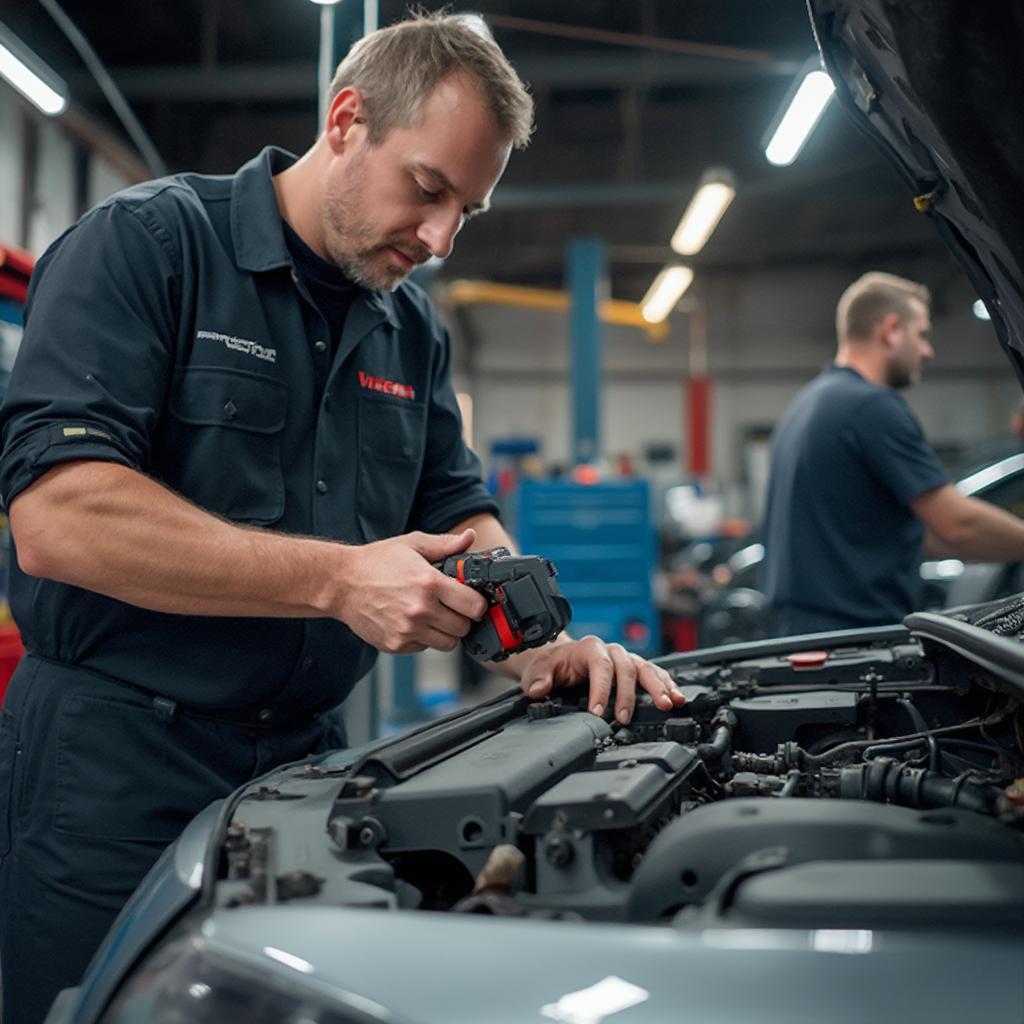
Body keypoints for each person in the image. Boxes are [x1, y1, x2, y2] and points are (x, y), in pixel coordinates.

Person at [0, 14, 685, 1021]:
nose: (443, 237)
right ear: (346, 119)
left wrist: (539, 645)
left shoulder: (408, 326)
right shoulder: (149, 247)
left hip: (304, 771)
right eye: (428, 188)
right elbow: (58, 518)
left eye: (470, 211)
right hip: (110, 775)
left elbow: (455, 510)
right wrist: (333, 578)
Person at [762, 271, 1024, 636]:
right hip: (853, 639)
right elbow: (957, 525)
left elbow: (921, 534)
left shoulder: (809, 403)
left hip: (804, 632)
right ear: (890, 329)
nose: (927, 351)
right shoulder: (870, 406)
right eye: (922, 334)